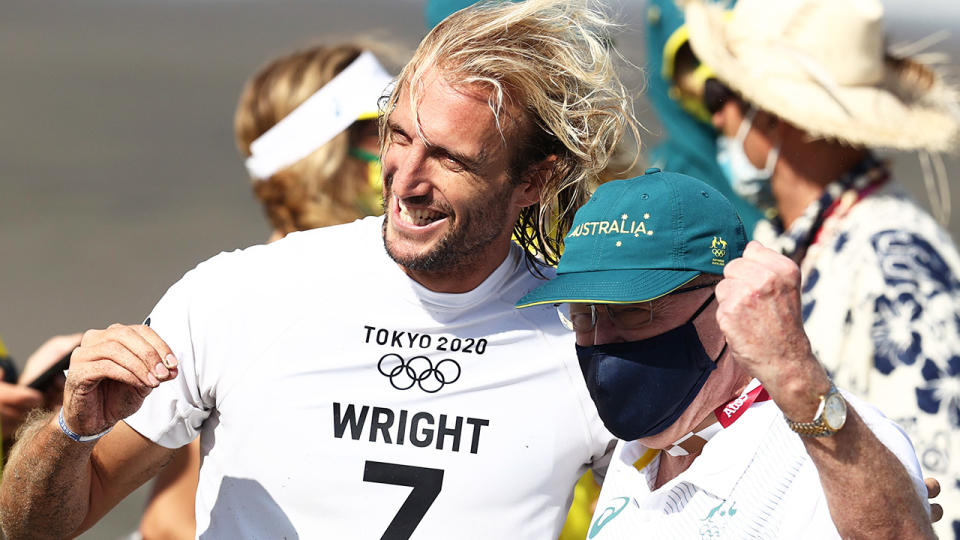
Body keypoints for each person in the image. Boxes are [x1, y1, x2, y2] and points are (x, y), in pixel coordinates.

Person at [0, 1, 637, 537]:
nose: (406, 182)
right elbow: (35, 526)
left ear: (535, 177)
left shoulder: (589, 344)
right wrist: (70, 431)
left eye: (450, 159)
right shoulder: (241, 293)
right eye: (397, 136)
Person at [517, 168, 934, 538]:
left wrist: (797, 378)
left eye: (633, 312)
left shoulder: (829, 454)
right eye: (584, 315)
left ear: (727, 300)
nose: (602, 340)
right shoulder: (636, 455)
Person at [682, 0, 960, 536]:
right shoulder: (794, 242)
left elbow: (940, 479)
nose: (715, 116)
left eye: (723, 95)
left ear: (776, 116)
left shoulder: (893, 260)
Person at [136, 42, 395, 540]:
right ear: (319, 156)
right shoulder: (242, 305)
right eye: (377, 131)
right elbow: (168, 522)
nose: (404, 153)